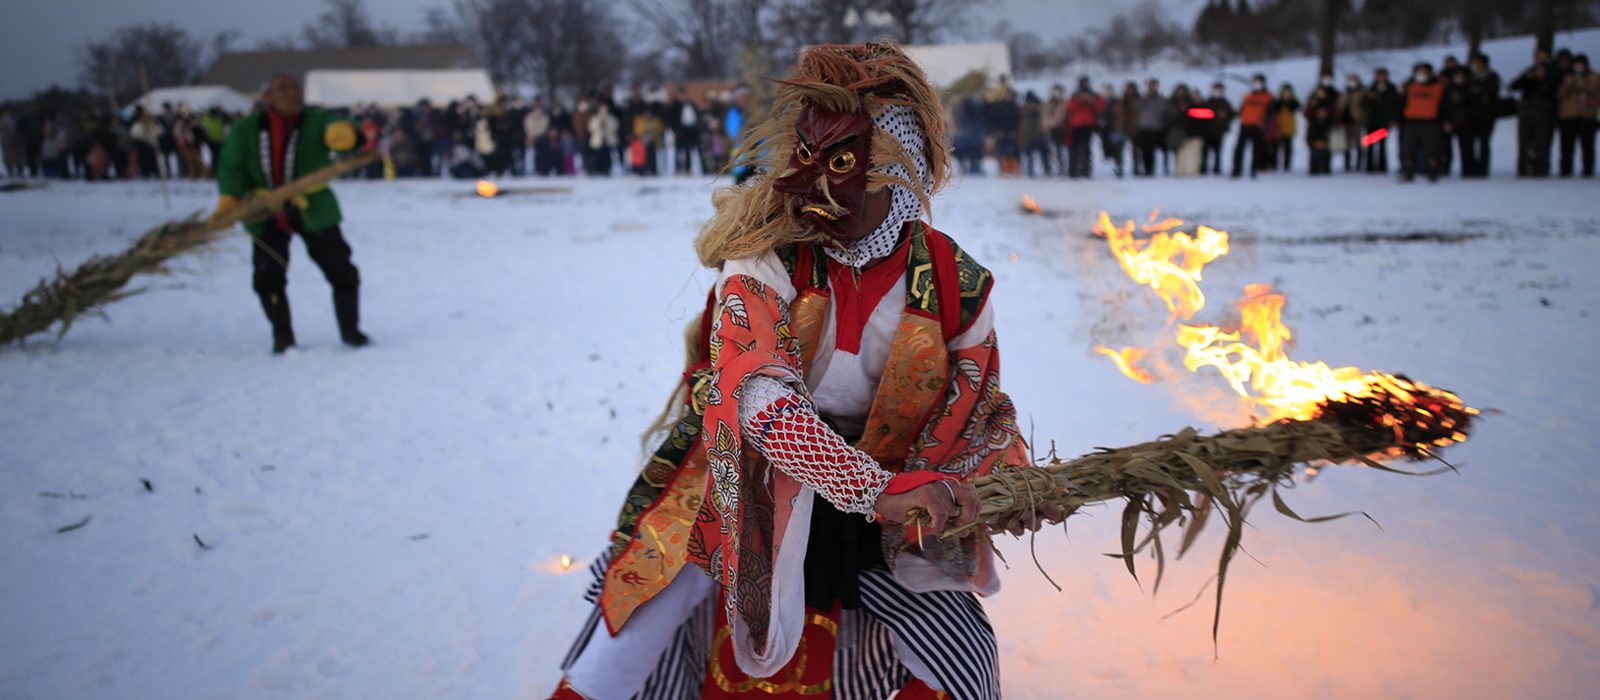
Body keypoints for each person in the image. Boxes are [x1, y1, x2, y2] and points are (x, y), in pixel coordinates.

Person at [551, 40, 1054, 700]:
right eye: (805, 155)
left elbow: (980, 406)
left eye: (843, 162)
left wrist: (1004, 483)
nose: (809, 183)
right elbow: (758, 397)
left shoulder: (955, 283)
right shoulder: (766, 257)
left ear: (900, 176)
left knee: (962, 657)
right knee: (636, 623)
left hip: (892, 498)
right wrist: (868, 486)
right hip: (747, 478)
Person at [211, 73, 369, 354]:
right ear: (267, 97)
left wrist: (347, 133)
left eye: (296, 87)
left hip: (314, 208)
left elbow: (343, 128)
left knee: (341, 269)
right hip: (264, 211)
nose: (292, 94)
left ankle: (351, 331)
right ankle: (282, 335)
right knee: (267, 276)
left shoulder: (316, 120)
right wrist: (230, 198)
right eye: (283, 89)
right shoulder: (245, 129)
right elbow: (231, 165)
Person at [1399, 61, 1451, 182]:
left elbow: (1447, 106)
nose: (1421, 74)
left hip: (1431, 122)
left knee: (1432, 149)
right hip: (1411, 122)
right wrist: (1398, 119)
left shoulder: (1439, 87)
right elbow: (1401, 104)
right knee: (1409, 149)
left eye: (1424, 71)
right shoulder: (1410, 86)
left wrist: (1447, 121)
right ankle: (1408, 172)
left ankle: (1433, 172)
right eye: (1419, 71)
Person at [1511, 48, 1560, 177]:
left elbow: (1556, 92)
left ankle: (1541, 169)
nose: (1540, 58)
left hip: (1545, 113)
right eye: (1537, 56)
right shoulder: (1530, 71)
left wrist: (1543, 80)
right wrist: (1528, 78)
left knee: (1542, 144)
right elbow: (1514, 85)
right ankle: (1524, 169)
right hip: (1527, 112)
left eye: (1542, 55)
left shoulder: (1554, 72)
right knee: (1524, 144)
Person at [1556, 54, 1599, 178]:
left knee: (1588, 146)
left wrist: (1585, 86)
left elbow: (1596, 94)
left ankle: (1588, 171)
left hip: (1588, 116)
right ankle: (1565, 171)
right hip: (1568, 116)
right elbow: (1558, 95)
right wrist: (1568, 84)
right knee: (1567, 146)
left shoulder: (1594, 77)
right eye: (1576, 64)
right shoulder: (1566, 77)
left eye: (1581, 64)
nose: (1579, 67)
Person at [1462, 54, 1502, 178]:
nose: (1476, 65)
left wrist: (1479, 92)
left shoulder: (1492, 76)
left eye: (1478, 62)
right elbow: (1465, 93)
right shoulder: (1470, 77)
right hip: (1470, 115)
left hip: (1486, 115)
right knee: (1468, 143)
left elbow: (1491, 93)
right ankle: (1469, 168)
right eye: (1474, 62)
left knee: (1484, 143)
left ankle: (1482, 169)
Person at [1233, 74, 1272, 178]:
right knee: (1239, 148)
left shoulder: (1268, 96)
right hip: (1245, 124)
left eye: (1259, 82)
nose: (1257, 84)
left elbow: (1270, 112)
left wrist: (1264, 123)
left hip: (1258, 126)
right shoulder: (1248, 96)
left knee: (1257, 149)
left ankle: (1254, 169)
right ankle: (1236, 170)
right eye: (1255, 82)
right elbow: (1241, 109)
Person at [1065, 77, 1104, 178]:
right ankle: (1074, 170)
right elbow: (1069, 107)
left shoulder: (1093, 95)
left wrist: (1090, 101)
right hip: (1076, 125)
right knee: (1075, 149)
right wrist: (1079, 100)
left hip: (1088, 125)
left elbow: (1101, 106)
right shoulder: (1075, 95)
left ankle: (1086, 170)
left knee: (1086, 148)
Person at [1364, 68, 1402, 173]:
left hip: (1384, 121)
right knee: (1370, 145)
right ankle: (1369, 166)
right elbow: (1364, 105)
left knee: (1382, 145)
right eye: (1379, 75)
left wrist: (1393, 119)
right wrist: (1369, 99)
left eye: (1382, 75)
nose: (1381, 77)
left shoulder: (1391, 89)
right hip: (1371, 121)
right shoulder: (1371, 88)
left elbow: (1396, 105)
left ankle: (1382, 166)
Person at [1135, 79, 1167, 177]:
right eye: (1150, 86)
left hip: (1155, 128)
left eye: (1154, 86)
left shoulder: (1161, 100)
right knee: (1144, 151)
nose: (1152, 88)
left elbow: (1164, 113)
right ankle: (1145, 169)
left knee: (1152, 151)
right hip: (1143, 128)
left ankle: (1151, 170)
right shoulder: (1142, 99)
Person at [1201, 82, 1234, 175]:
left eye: (1219, 89)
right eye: (1216, 89)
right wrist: (1214, 114)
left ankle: (1217, 168)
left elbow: (1231, 114)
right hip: (1207, 131)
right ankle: (1203, 168)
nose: (1217, 91)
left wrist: (1225, 117)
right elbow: (1201, 113)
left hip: (1219, 131)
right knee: (1205, 152)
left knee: (1218, 151)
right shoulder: (1208, 102)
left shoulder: (1225, 103)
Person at [1305, 84, 1337, 175]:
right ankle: (1314, 169)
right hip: (1314, 132)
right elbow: (1306, 114)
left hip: (1326, 132)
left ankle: (1326, 168)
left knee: (1326, 154)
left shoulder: (1329, 103)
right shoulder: (1312, 102)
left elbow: (1335, 114)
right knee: (1314, 154)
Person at [669, 86, 702, 175]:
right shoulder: (674, 105)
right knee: (678, 150)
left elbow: (696, 116)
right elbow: (671, 119)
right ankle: (678, 168)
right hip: (679, 130)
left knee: (688, 150)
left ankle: (688, 168)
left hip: (690, 130)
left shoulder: (690, 104)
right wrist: (675, 130)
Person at [1338, 73, 1368, 172]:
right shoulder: (1345, 92)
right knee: (1346, 145)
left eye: (1353, 80)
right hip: (1345, 122)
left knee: (1359, 144)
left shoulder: (1362, 92)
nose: (1351, 82)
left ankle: (1359, 165)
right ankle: (1347, 165)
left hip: (1357, 121)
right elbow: (1340, 105)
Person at [1270, 83, 1301, 172]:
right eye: (1285, 92)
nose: (1286, 94)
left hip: (1289, 129)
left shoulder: (1293, 101)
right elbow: (1273, 109)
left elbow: (1296, 107)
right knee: (1276, 149)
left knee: (1288, 149)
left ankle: (1287, 166)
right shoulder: (1277, 101)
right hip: (1278, 129)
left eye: (1288, 92)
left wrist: (1289, 101)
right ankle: (1274, 165)